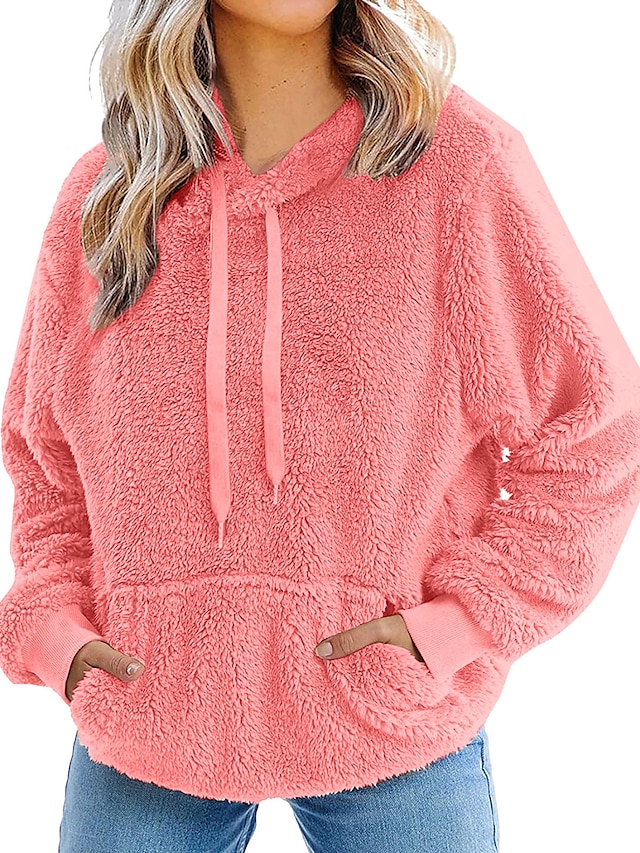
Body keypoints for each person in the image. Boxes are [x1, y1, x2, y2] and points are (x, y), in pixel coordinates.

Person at [0, 1, 639, 851]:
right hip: (146, 712)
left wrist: (455, 626)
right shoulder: (108, 196)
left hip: (395, 717)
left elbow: (597, 428)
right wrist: (60, 638)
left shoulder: (456, 164)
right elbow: (45, 459)